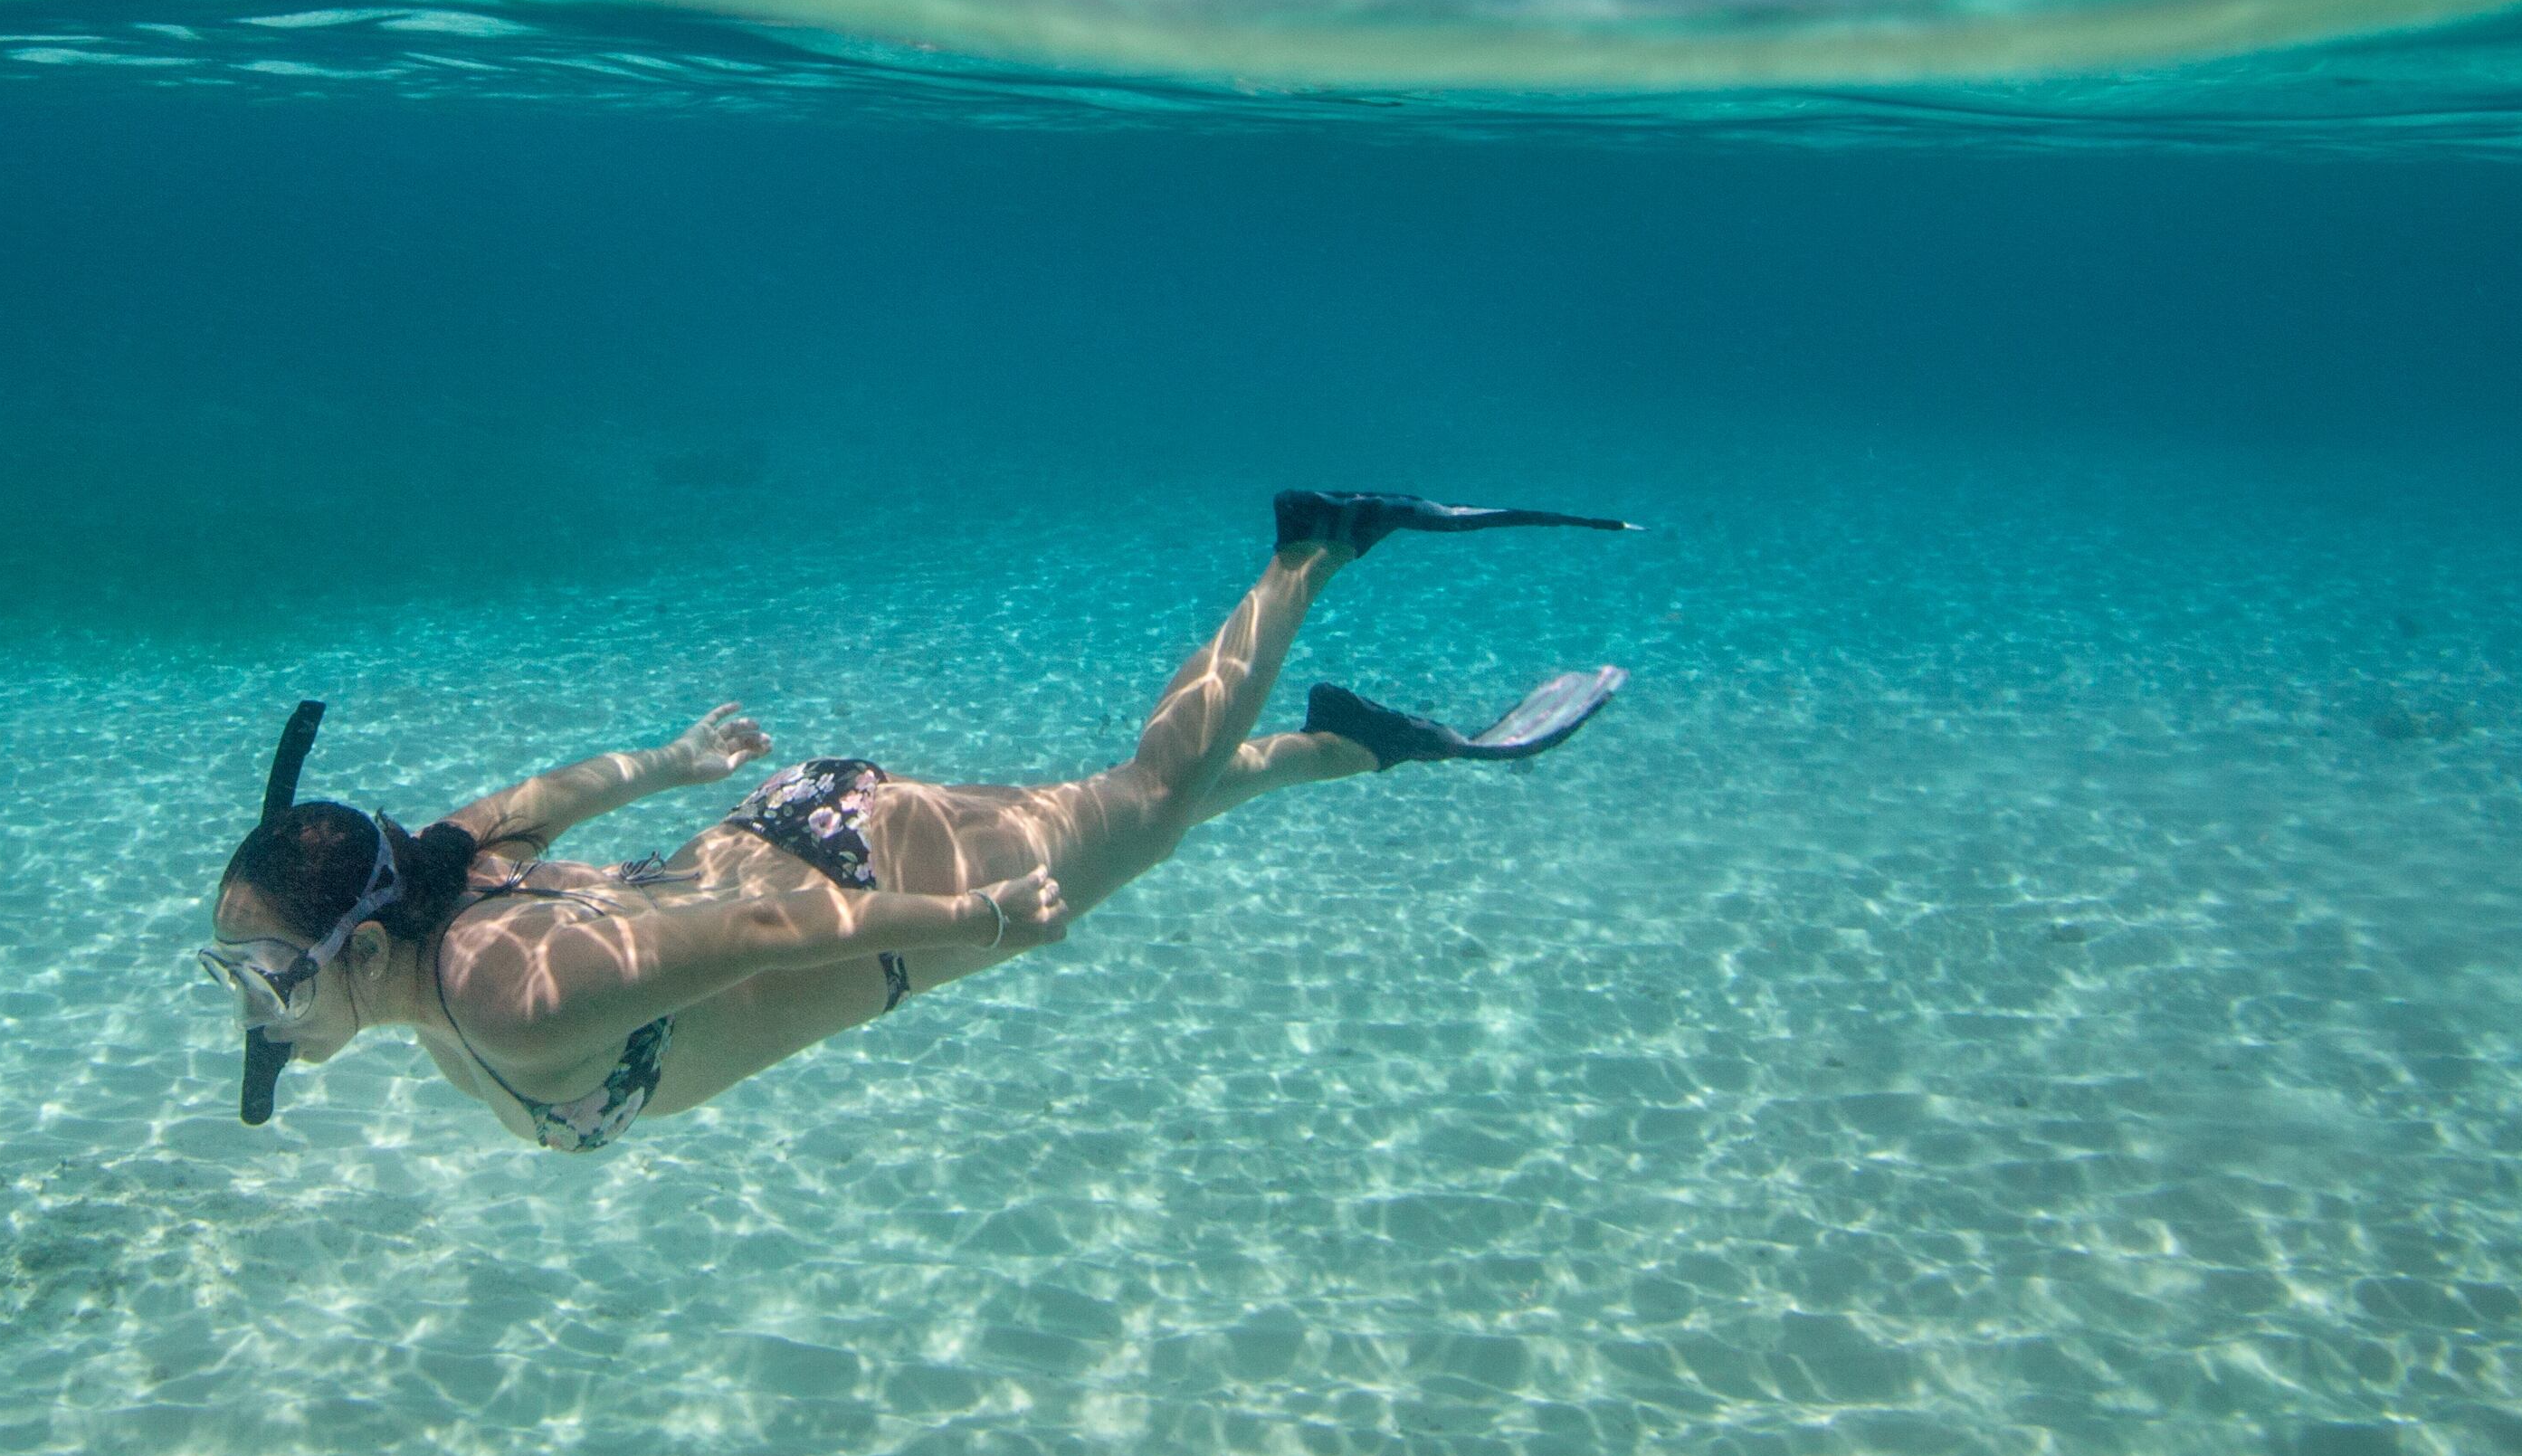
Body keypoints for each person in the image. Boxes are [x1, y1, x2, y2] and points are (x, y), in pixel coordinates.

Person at [196, 489, 1640, 1153]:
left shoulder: (513, 998)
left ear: (361, 947)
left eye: (261, 975)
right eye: (231, 975)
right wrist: (673, 761)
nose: (249, 1009)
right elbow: (532, 807)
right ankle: (1365, 742)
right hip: (801, 827)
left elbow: (765, 935)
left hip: (861, 886)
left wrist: (980, 918)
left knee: (1144, 804)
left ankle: (1314, 548)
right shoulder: (432, 873)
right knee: (1143, 819)